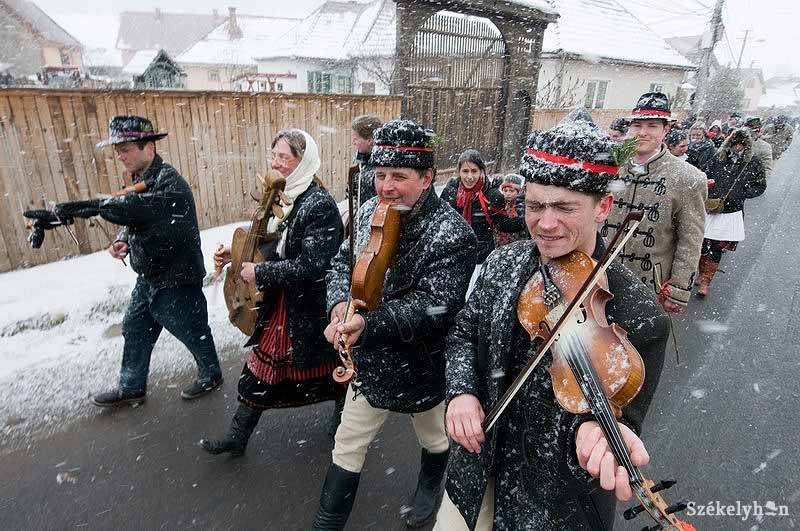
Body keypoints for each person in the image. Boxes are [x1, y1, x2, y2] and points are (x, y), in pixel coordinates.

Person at [435, 109, 670, 530]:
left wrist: (596, 432)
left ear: (604, 207)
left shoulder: (638, 314)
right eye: (535, 205)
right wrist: (461, 391)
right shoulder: (503, 262)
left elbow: (621, 415)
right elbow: (464, 332)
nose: (545, 223)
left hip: (553, 504)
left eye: (564, 207)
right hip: (476, 470)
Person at [311, 119, 477, 530]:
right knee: (347, 444)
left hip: (423, 363)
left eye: (399, 176)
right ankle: (326, 523)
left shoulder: (453, 233)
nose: (385, 186)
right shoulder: (369, 209)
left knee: (435, 438)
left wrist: (368, 325)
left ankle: (428, 489)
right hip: (370, 361)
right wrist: (338, 305)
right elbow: (340, 263)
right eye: (381, 174)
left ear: (426, 178)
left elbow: (432, 307)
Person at [53, 116, 223, 406]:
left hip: (177, 275)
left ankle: (212, 373)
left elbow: (138, 210)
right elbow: (136, 221)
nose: (120, 155)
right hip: (150, 275)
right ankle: (131, 386)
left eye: (126, 148)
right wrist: (123, 240)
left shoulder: (171, 184)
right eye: (117, 150)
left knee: (192, 330)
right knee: (135, 328)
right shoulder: (141, 179)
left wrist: (96, 207)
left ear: (149, 148)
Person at [200, 129, 345, 457]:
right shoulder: (285, 196)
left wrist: (261, 272)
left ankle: (345, 418)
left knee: (322, 367)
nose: (277, 163)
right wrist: (236, 256)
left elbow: (313, 265)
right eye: (274, 155)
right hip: (284, 301)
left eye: (285, 157)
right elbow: (275, 244)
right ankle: (238, 437)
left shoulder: (318, 204)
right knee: (268, 369)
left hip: (306, 305)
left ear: (303, 161)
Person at [602, 92, 707, 313]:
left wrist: (678, 289)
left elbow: (690, 240)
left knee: (642, 346)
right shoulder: (609, 167)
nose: (643, 132)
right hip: (601, 280)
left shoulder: (688, 178)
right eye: (637, 125)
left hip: (650, 285)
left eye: (652, 126)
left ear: (665, 130)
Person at [697, 128, 766, 297]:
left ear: (746, 146)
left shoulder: (753, 162)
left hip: (731, 212)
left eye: (741, 145)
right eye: (735, 144)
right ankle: (700, 273)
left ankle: (706, 281)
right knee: (701, 245)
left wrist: (743, 193)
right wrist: (707, 186)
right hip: (711, 208)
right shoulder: (719, 159)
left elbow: (760, 186)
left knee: (716, 248)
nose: (737, 148)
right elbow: (702, 175)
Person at [349, 114, 382, 207]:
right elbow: (350, 193)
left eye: (356, 139)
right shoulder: (358, 162)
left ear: (369, 140)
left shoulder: (382, 167)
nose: (353, 142)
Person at [493, 173, 527, 248]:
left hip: (517, 245)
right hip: (499, 245)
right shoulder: (499, 203)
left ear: (518, 192)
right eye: (505, 191)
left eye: (511, 191)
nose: (508, 194)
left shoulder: (521, 206)